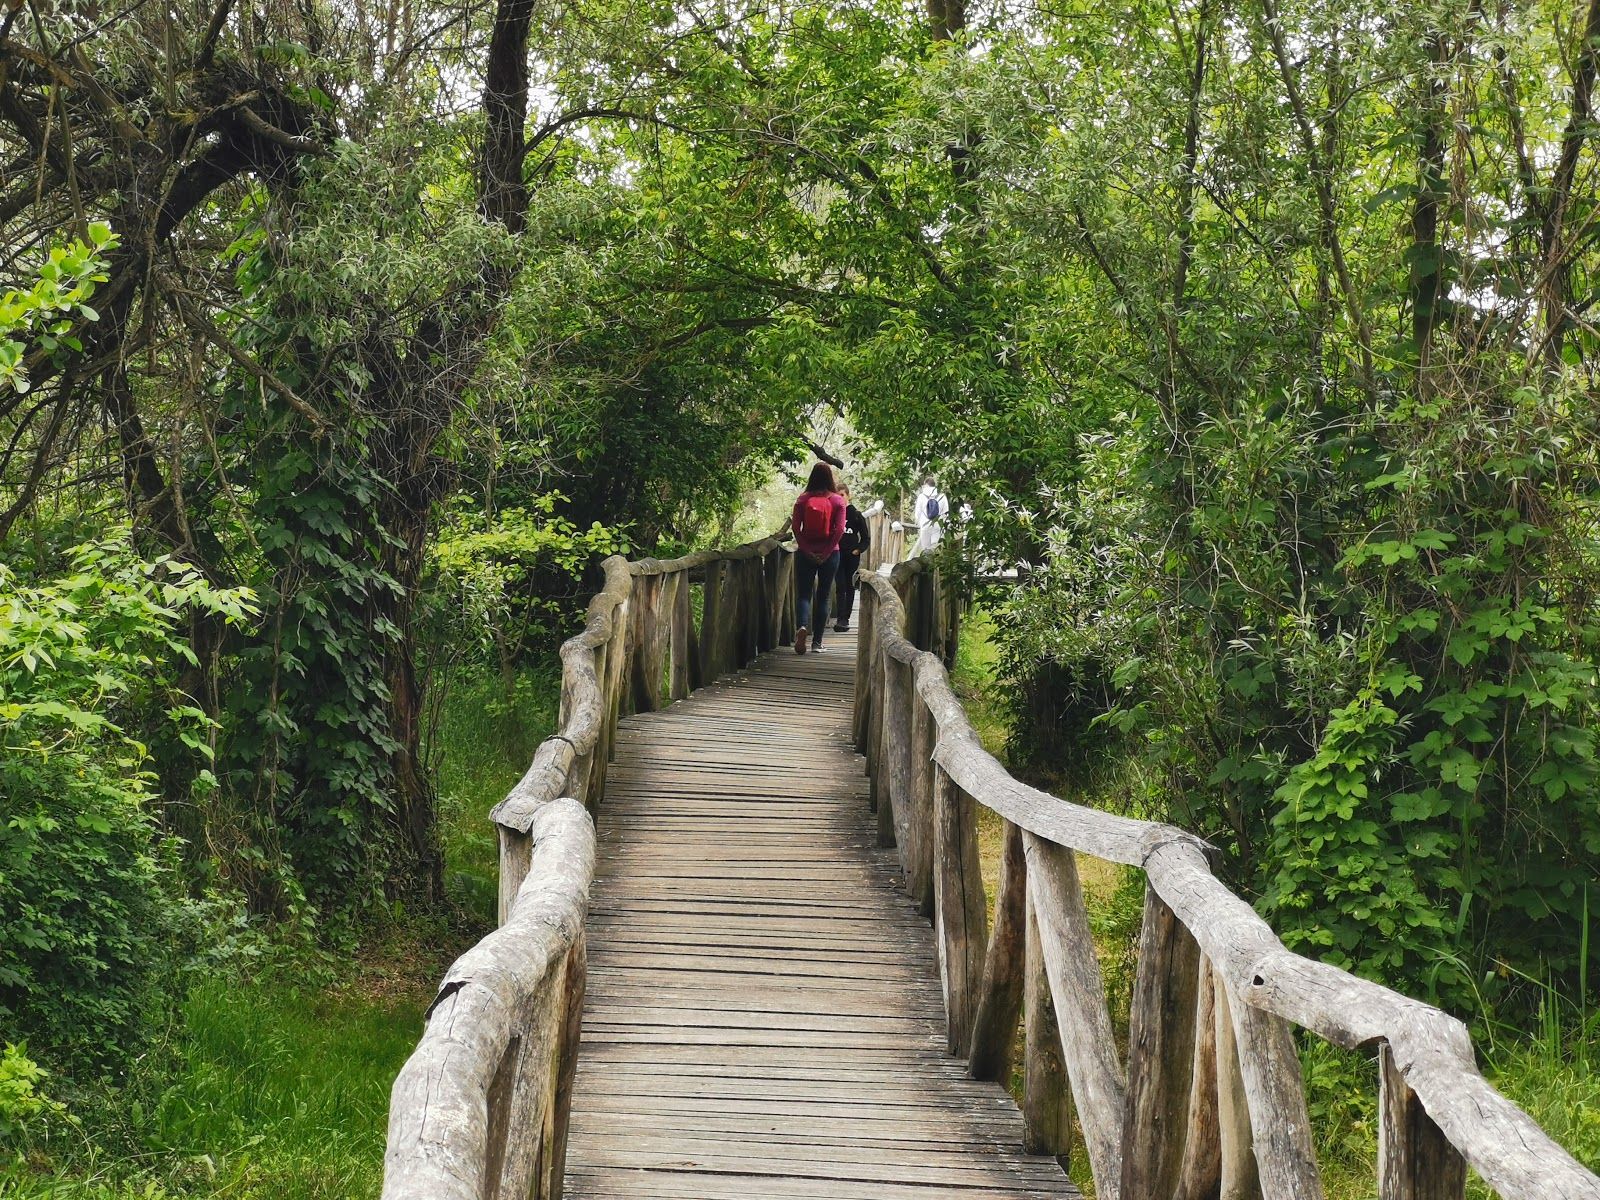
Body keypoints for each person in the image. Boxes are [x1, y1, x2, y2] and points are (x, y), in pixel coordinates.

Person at [790, 462, 847, 654]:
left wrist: (806, 550)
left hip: (806, 554)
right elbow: (839, 529)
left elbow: (796, 528)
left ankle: (802, 627)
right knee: (823, 596)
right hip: (830, 555)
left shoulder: (803, 500)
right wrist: (827, 552)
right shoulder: (838, 501)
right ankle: (817, 643)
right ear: (830, 477)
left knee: (804, 594)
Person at [833, 485, 870, 632]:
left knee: (849, 585)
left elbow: (866, 538)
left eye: (842, 495)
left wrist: (858, 550)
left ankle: (845, 618)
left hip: (851, 556)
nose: (839, 498)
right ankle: (840, 617)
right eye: (837, 495)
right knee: (839, 585)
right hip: (837, 554)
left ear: (848, 496)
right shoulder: (834, 514)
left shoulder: (855, 514)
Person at [909, 476, 949, 558]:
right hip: (938, 525)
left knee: (925, 549)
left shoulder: (921, 496)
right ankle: (936, 568)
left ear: (925, 485)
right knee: (936, 548)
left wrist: (919, 523)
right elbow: (946, 513)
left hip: (925, 525)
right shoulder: (942, 496)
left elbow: (917, 513)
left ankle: (927, 568)